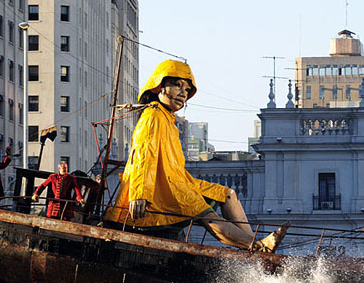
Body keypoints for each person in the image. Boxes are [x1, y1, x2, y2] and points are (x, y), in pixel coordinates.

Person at [104, 60, 288, 251]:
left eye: (187, 89)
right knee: (206, 214)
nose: (183, 93)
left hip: (179, 182)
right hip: (163, 190)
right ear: (159, 86)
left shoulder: (168, 119)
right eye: (177, 85)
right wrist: (139, 194)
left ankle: (255, 245)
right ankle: (257, 247)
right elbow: (143, 155)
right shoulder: (153, 116)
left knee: (228, 194)